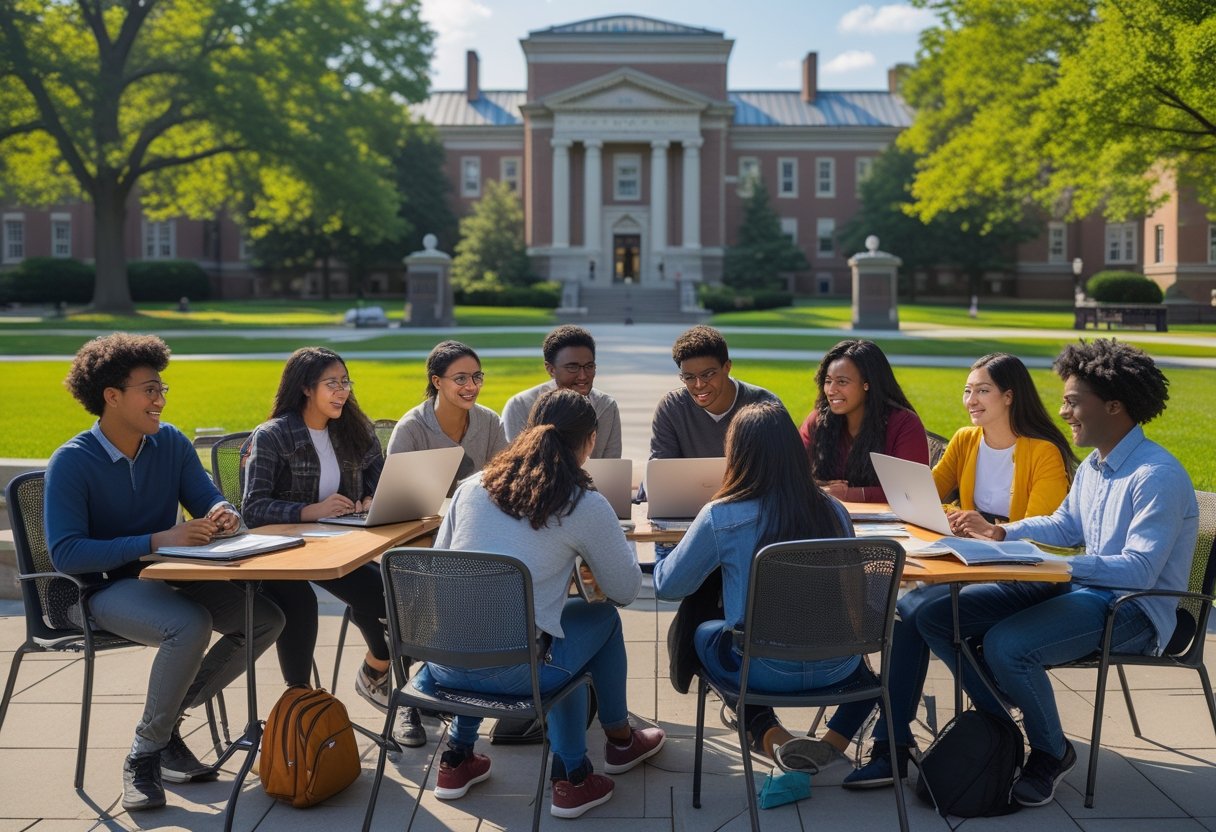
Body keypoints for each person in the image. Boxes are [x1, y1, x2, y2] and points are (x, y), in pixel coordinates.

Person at [918, 339, 1199, 808]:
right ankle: (1005, 724)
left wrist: (1058, 566)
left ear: (1113, 406)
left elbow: (1142, 569)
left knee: (1009, 645)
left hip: (1132, 608)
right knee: (933, 615)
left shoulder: (1157, 475)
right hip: (1083, 589)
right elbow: (1066, 524)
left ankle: (1051, 751)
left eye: (1073, 401)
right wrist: (1001, 533)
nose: (1063, 411)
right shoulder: (1095, 465)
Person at [44, 333, 284, 811]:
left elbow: (206, 495)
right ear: (112, 397)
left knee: (265, 619)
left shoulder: (170, 442)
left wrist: (223, 513)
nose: (159, 399)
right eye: (149, 389)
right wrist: (155, 541)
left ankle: (165, 725)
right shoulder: (72, 462)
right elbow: (66, 554)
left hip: (171, 572)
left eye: (162, 389)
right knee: (189, 625)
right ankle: (144, 755)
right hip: (100, 589)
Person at [823, 352, 1077, 789]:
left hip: (1025, 575)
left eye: (982, 390)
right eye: (967, 390)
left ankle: (965, 719)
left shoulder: (1044, 452)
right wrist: (955, 516)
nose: (970, 400)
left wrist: (988, 528)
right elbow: (924, 498)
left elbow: (1046, 535)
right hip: (971, 564)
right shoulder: (966, 440)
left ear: (1010, 396)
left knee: (916, 613)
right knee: (907, 612)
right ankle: (893, 745)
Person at [427, 389, 665, 819]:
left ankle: (456, 759)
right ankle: (592, 762)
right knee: (598, 621)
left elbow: (445, 573)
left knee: (511, 628)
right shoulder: (583, 503)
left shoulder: (470, 489)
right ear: (589, 440)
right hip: (520, 674)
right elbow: (626, 590)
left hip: (441, 663)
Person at [654, 401, 865, 772]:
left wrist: (664, 552)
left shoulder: (722, 515)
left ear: (737, 453)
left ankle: (768, 733)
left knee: (710, 628)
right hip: (839, 666)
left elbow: (669, 587)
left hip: (764, 669)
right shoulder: (834, 510)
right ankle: (830, 743)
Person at [242, 347, 428, 748]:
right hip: (282, 552)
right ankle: (301, 707)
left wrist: (368, 502)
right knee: (301, 607)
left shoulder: (354, 430)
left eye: (346, 382)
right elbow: (253, 509)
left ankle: (378, 676)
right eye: (332, 383)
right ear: (306, 388)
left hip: (336, 547)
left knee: (392, 597)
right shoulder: (274, 435)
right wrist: (310, 510)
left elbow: (382, 486)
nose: (342, 391)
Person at [800, 339, 929, 502]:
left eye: (842, 382)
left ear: (867, 384)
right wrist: (820, 487)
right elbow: (791, 475)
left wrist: (847, 494)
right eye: (828, 381)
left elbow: (911, 492)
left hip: (890, 525)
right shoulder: (817, 421)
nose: (831, 390)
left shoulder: (904, 425)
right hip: (829, 520)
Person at [386, 340, 508, 492]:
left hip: (475, 513)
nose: (472, 386)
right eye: (460, 378)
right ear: (437, 382)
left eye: (477, 377)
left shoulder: (491, 422)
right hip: (425, 516)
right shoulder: (410, 429)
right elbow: (395, 495)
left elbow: (505, 481)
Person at [649, 325, 777, 461]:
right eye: (689, 377)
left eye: (708, 374)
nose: (699, 385)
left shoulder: (764, 405)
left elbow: (783, 468)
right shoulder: (672, 408)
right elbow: (660, 471)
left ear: (727, 367)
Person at [502, 325, 622, 458]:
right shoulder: (520, 406)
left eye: (589, 366)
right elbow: (515, 467)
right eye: (572, 367)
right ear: (551, 369)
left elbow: (613, 467)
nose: (583, 376)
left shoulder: (606, 406)